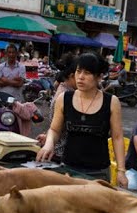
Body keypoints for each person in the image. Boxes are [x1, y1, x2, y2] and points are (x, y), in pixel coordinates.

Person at [36, 52, 128, 187]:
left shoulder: (111, 102)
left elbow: (118, 137)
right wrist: (49, 143)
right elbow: (55, 130)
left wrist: (121, 171)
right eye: (78, 71)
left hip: (98, 172)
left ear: (99, 77)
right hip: (68, 169)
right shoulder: (64, 98)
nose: (80, 77)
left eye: (87, 73)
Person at [36, 54, 78, 162]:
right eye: (80, 73)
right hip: (60, 152)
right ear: (72, 75)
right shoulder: (66, 95)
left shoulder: (66, 90)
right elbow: (58, 128)